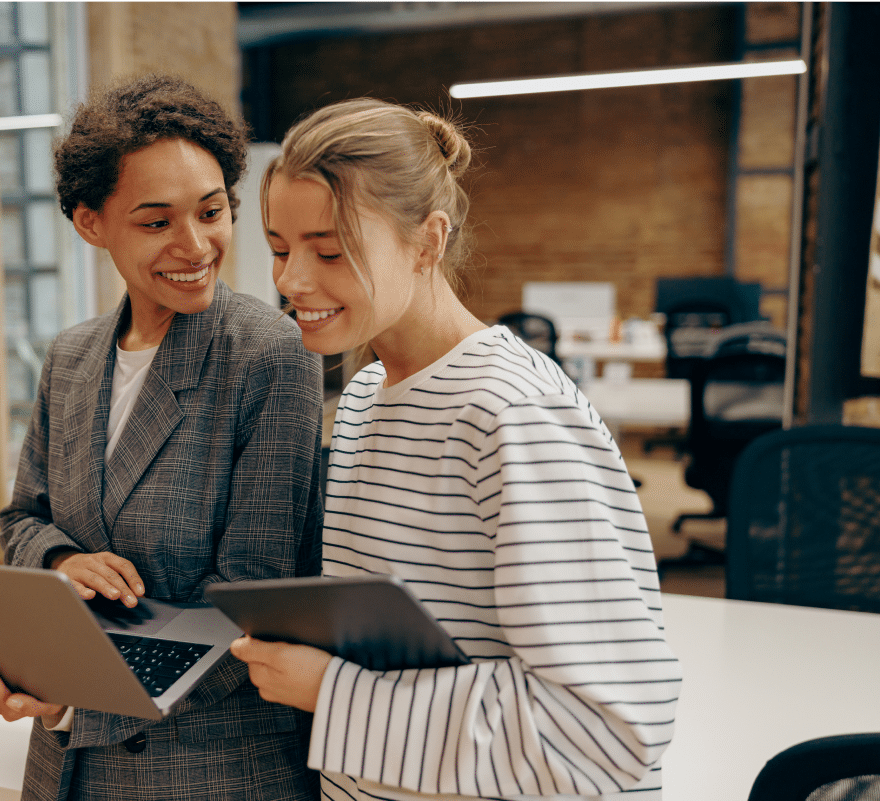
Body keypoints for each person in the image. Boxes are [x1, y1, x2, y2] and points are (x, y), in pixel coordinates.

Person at [230, 97, 681, 801]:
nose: (291, 281)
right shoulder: (364, 396)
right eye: (281, 249)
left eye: (331, 250)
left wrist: (334, 692)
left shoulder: (511, 415)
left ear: (428, 242)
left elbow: (607, 735)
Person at [0, 74, 324, 801]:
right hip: (65, 768)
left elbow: (251, 604)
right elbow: (22, 519)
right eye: (157, 223)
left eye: (211, 211)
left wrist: (68, 701)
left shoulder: (268, 353)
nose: (196, 245)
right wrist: (62, 561)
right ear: (92, 223)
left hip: (205, 770)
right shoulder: (71, 357)